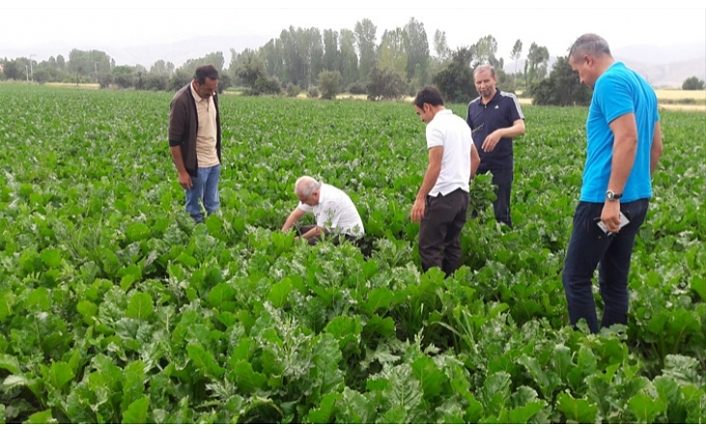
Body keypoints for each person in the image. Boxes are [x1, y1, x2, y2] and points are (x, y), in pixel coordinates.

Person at [563, 34, 663, 333]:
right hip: (636, 200)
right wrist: (634, 188)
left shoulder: (609, 82)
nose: (580, 80)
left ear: (589, 60)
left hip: (603, 202)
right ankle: (613, 347)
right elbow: (656, 147)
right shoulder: (643, 86)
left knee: (576, 278)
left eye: (578, 70)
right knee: (614, 281)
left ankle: (589, 350)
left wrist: (612, 197)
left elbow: (628, 136)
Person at [411, 86, 480, 276]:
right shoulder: (460, 123)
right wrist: (462, 180)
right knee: (451, 245)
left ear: (427, 107)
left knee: (429, 247)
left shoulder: (435, 126)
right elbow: (476, 160)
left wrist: (420, 197)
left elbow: (435, 165)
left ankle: (435, 294)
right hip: (461, 196)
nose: (421, 119)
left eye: (419, 114)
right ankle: (452, 290)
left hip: (442, 196)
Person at [466, 64, 525, 227]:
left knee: (500, 211)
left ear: (495, 80)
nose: (482, 86)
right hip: (478, 166)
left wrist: (499, 133)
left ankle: (506, 246)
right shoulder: (472, 106)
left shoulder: (508, 100)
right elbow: (467, 135)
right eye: (478, 82)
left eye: (486, 81)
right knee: (475, 210)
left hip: (501, 166)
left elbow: (520, 128)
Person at [168, 64, 222, 223]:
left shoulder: (212, 95)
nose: (212, 93)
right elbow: (174, 141)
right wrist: (182, 172)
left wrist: (216, 158)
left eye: (214, 89)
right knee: (195, 211)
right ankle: (195, 241)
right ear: (197, 83)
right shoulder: (181, 101)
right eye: (208, 90)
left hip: (214, 161)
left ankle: (214, 240)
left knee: (213, 206)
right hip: (196, 165)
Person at [281, 176, 365, 244]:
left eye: (304, 200)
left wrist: (299, 240)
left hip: (350, 235)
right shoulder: (311, 195)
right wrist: (282, 234)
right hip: (333, 229)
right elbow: (295, 215)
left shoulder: (330, 201)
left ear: (314, 194)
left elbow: (320, 231)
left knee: (307, 244)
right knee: (298, 230)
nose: (302, 203)